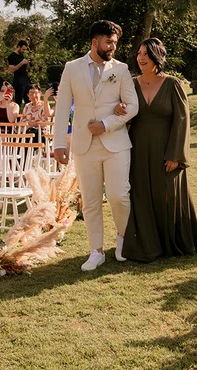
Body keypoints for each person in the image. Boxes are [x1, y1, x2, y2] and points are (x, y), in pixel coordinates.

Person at [53, 20, 139, 271]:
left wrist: (107, 123)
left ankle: (122, 238)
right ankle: (96, 251)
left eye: (115, 42)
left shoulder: (121, 69)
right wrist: (59, 143)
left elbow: (133, 106)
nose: (113, 46)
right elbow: (61, 109)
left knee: (118, 195)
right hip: (83, 144)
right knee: (90, 201)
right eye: (109, 42)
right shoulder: (72, 68)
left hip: (116, 143)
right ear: (94, 42)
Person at [113, 38, 197, 262]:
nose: (141, 58)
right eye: (139, 53)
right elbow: (122, 113)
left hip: (167, 150)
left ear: (157, 57)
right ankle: (146, 243)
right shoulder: (131, 84)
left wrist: (175, 155)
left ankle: (171, 242)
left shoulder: (173, 84)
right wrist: (118, 109)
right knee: (141, 195)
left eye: (146, 53)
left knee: (168, 196)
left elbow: (182, 121)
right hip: (137, 148)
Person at [8, 40, 31, 107]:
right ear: (18, 47)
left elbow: (25, 68)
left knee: (28, 100)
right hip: (18, 81)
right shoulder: (12, 56)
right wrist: (22, 63)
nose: (24, 51)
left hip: (26, 80)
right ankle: (16, 116)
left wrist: (27, 63)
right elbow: (11, 69)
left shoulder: (22, 56)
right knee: (18, 101)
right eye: (23, 49)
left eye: (25, 49)